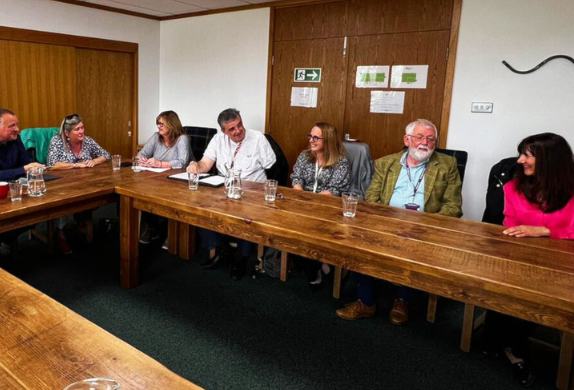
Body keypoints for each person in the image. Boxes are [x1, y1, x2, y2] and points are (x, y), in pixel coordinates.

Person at [485, 132, 574, 387]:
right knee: (504, 285)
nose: (520, 161)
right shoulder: (513, 187)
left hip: (568, 265)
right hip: (522, 260)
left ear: (550, 159)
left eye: (527, 155)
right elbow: (511, 227)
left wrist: (547, 231)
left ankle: (513, 347)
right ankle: (508, 347)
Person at [336, 118, 462, 325]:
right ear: (407, 139)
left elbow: (453, 206)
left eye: (431, 139)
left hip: (424, 227)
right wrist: (387, 222)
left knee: (416, 247)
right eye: (420, 137)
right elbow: (372, 197)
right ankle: (365, 301)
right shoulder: (386, 163)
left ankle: (403, 299)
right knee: (358, 243)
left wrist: (425, 224)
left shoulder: (446, 165)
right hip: (386, 222)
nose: (425, 143)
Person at [186, 108, 276, 280]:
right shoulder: (218, 139)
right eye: (232, 129)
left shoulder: (257, 138)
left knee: (247, 217)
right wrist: (195, 166)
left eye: (239, 125)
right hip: (225, 190)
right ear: (224, 131)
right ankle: (221, 249)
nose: (238, 131)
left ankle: (241, 258)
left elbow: (274, 169)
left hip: (252, 192)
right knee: (198, 208)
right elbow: (205, 163)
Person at [290, 122, 351, 288]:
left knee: (310, 233)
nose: (311, 140)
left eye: (316, 137)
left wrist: (309, 201)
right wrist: (301, 195)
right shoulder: (305, 156)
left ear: (329, 140)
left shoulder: (341, 162)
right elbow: (296, 178)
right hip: (303, 205)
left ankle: (315, 266)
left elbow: (334, 190)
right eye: (310, 136)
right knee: (290, 232)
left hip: (327, 209)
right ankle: (319, 264)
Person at [47, 114, 111, 253]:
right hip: (62, 184)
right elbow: (52, 165)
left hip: (84, 183)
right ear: (67, 132)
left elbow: (106, 155)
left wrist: (95, 161)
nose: (81, 131)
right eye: (77, 129)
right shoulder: (57, 141)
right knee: (62, 200)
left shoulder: (87, 141)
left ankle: (81, 217)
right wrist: (76, 165)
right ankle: (60, 232)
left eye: (82, 128)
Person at [137, 110, 192, 246]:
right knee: (143, 194)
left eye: (161, 124)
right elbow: (141, 153)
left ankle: (172, 233)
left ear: (171, 124)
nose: (159, 127)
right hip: (157, 178)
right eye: (158, 124)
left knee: (170, 198)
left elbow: (182, 162)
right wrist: (142, 159)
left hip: (178, 180)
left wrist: (160, 164)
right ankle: (151, 227)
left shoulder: (182, 139)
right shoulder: (156, 137)